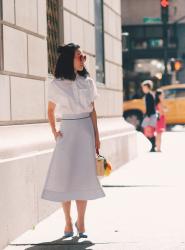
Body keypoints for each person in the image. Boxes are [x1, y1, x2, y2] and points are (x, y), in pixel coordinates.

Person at [41, 43, 105, 238]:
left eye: (84, 57)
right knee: (65, 178)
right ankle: (68, 221)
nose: (83, 60)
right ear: (70, 59)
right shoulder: (57, 83)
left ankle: (82, 222)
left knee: (83, 178)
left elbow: (92, 110)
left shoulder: (88, 82)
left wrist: (96, 136)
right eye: (80, 57)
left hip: (85, 130)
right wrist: (54, 132)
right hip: (67, 132)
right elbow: (50, 110)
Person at [141, 80, 157, 152]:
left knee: (147, 130)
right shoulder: (149, 95)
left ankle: (153, 145)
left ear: (148, 87)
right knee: (147, 130)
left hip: (150, 116)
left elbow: (150, 107)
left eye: (144, 87)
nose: (143, 89)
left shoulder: (149, 95)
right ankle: (153, 145)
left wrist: (147, 116)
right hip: (150, 115)